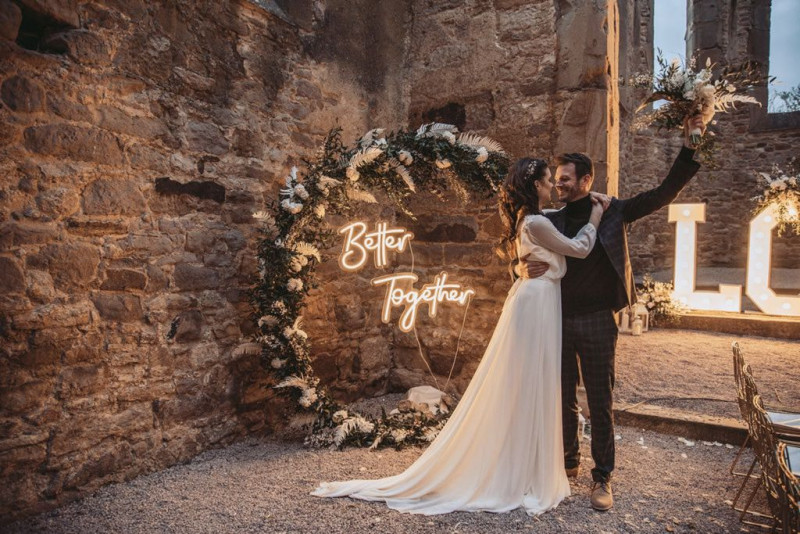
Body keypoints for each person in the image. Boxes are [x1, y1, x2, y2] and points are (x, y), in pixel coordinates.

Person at [311, 158, 609, 515]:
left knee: (534, 381)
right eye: (547, 181)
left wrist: (519, 264)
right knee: (528, 380)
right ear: (535, 187)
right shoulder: (535, 221)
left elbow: (532, 252)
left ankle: (530, 464)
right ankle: (517, 470)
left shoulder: (529, 221)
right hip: (537, 302)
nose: (551, 187)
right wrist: (596, 215)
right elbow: (579, 249)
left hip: (539, 300)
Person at [516, 115, 707, 511]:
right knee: (561, 396)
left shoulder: (614, 210)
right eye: (558, 179)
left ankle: (602, 477)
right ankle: (567, 465)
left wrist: (691, 144)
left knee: (600, 400)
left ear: (586, 180)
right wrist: (517, 268)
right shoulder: (547, 218)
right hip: (554, 318)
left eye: (566, 179)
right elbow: (517, 250)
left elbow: (664, 193)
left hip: (597, 320)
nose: (560, 184)